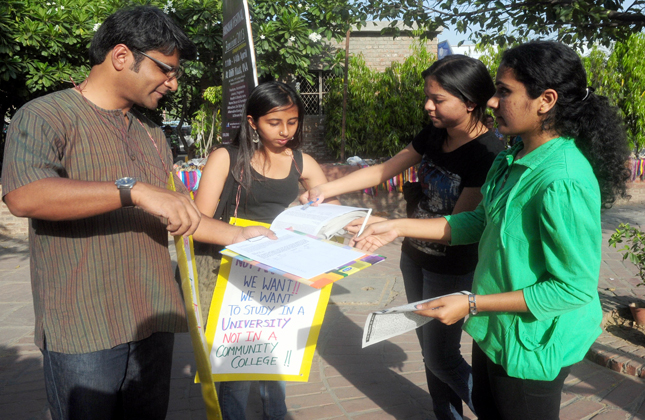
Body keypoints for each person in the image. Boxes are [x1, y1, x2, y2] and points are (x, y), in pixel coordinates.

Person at [1, 6, 272, 420]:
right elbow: (24, 196)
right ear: (122, 56)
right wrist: (133, 191)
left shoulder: (150, 133)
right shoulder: (43, 116)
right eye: (166, 69)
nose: (173, 83)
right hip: (82, 326)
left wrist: (243, 237)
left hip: (152, 318)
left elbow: (182, 212)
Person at [350, 41, 631, 420]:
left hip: (534, 342)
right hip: (496, 330)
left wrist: (470, 303)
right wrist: (396, 225)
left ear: (545, 100)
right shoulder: (513, 155)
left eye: (504, 91)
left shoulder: (562, 179)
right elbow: (481, 222)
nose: (493, 102)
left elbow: (572, 287)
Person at [301, 55, 504, 420]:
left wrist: (388, 224)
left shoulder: (487, 154)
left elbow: (455, 228)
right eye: (428, 97)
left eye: (438, 99)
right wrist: (323, 191)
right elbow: (382, 170)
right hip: (415, 257)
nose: (428, 106)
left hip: (452, 266)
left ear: (470, 102)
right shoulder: (434, 133)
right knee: (430, 352)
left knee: (443, 358)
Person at [194, 81, 338, 420]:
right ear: (252, 122)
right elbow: (197, 221)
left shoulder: (301, 162)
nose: (285, 131)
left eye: (292, 121)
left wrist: (316, 206)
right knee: (238, 364)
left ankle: (277, 414)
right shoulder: (225, 158)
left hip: (278, 271)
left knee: (277, 351)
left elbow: (330, 212)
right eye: (274, 122)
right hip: (225, 268)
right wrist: (239, 233)